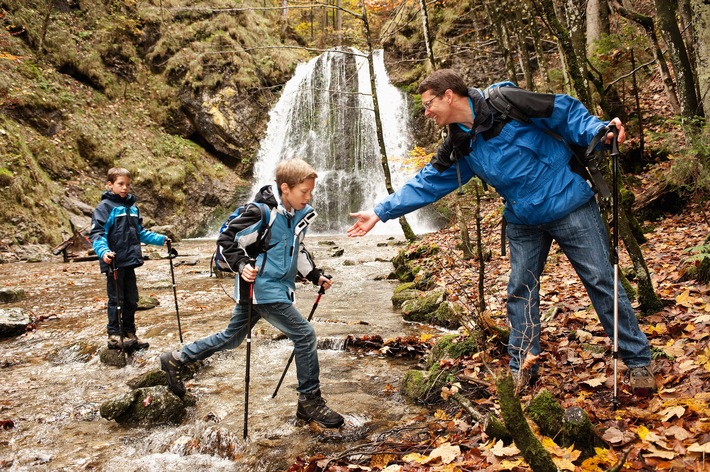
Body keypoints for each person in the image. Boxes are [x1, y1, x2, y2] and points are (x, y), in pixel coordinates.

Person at [348, 69, 656, 396]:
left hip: (568, 201)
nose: (426, 113)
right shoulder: (459, 143)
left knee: (600, 280)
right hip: (523, 218)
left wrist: (598, 130)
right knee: (520, 291)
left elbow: (563, 112)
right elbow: (426, 183)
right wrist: (380, 213)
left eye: (428, 104)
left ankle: (638, 361)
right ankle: (522, 368)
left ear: (449, 95)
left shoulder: (506, 102)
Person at [159, 158, 345, 428]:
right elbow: (226, 240)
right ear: (285, 188)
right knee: (304, 335)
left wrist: (314, 275)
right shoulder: (261, 213)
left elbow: (297, 250)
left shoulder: (296, 216)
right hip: (263, 289)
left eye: (311, 191)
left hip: (267, 291)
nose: (309, 196)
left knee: (231, 338)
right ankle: (309, 401)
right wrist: (242, 265)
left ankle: (177, 358)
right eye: (304, 191)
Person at [90, 167, 169, 350]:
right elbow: (97, 234)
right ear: (110, 185)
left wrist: (161, 239)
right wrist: (104, 252)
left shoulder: (132, 208)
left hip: (130, 260)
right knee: (116, 300)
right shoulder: (104, 208)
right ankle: (114, 335)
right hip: (114, 261)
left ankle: (130, 333)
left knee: (132, 299)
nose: (125, 188)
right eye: (120, 184)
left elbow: (140, 233)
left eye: (127, 184)